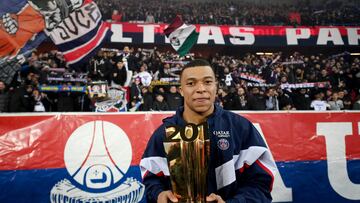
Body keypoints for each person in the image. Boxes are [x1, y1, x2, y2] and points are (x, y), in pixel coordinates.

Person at [140, 59, 276, 203]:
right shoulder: (163, 133)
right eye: (191, 83)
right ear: (181, 90)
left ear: (215, 87)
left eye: (207, 82)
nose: (201, 89)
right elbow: (151, 180)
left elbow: (260, 184)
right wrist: (159, 195)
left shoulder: (241, 128)